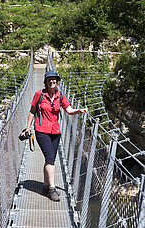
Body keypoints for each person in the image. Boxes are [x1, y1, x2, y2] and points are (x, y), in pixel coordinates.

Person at [22, 70, 88, 201]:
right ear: (45, 82)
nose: (52, 81)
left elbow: (68, 110)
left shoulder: (61, 95)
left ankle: (46, 186)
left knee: (50, 159)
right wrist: (28, 128)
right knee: (50, 158)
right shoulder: (39, 94)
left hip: (56, 131)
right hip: (41, 130)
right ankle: (52, 189)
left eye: (54, 79)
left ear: (57, 81)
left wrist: (79, 111)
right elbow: (32, 111)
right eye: (49, 79)